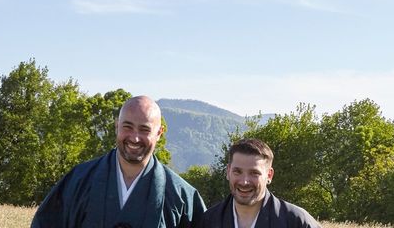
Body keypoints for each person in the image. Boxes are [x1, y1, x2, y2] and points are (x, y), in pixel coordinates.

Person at [31, 95, 206, 228]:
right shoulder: (78, 181)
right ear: (117, 126)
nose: (135, 138)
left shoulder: (182, 197)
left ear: (159, 133)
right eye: (127, 126)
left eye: (145, 129)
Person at [200, 138, 321, 228]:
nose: (244, 181)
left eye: (254, 173)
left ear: (269, 175)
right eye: (237, 171)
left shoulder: (296, 222)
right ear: (228, 172)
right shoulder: (208, 221)